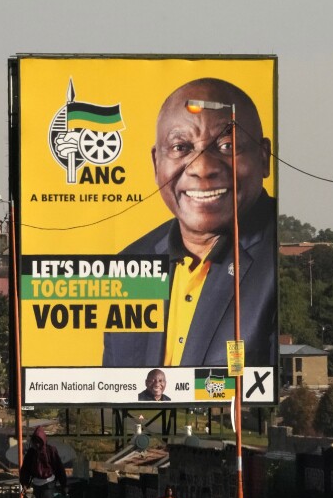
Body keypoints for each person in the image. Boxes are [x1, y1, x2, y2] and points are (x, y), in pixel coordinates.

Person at [103, 78, 277, 369]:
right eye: (181, 147)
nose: (202, 168)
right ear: (156, 163)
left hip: (233, 417)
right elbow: (115, 386)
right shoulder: (131, 266)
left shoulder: (277, 259)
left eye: (227, 145)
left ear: (263, 157)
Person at [19, 427, 67, 498]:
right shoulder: (31, 453)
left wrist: (63, 485)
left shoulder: (51, 451)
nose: (36, 444)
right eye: (34, 441)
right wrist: (24, 484)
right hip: (37, 484)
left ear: (43, 440)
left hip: (49, 484)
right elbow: (25, 470)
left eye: (38, 441)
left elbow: (60, 468)